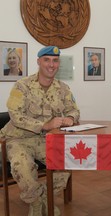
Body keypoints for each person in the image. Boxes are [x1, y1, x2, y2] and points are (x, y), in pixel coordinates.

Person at [0, 46, 80, 215]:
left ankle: (43, 198)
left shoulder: (63, 88)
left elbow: (74, 110)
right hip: (18, 138)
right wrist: (44, 125)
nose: (51, 64)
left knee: (65, 162)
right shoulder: (22, 86)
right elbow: (14, 115)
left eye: (55, 60)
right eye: (47, 60)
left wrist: (71, 118)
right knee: (22, 166)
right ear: (38, 62)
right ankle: (36, 202)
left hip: (46, 140)